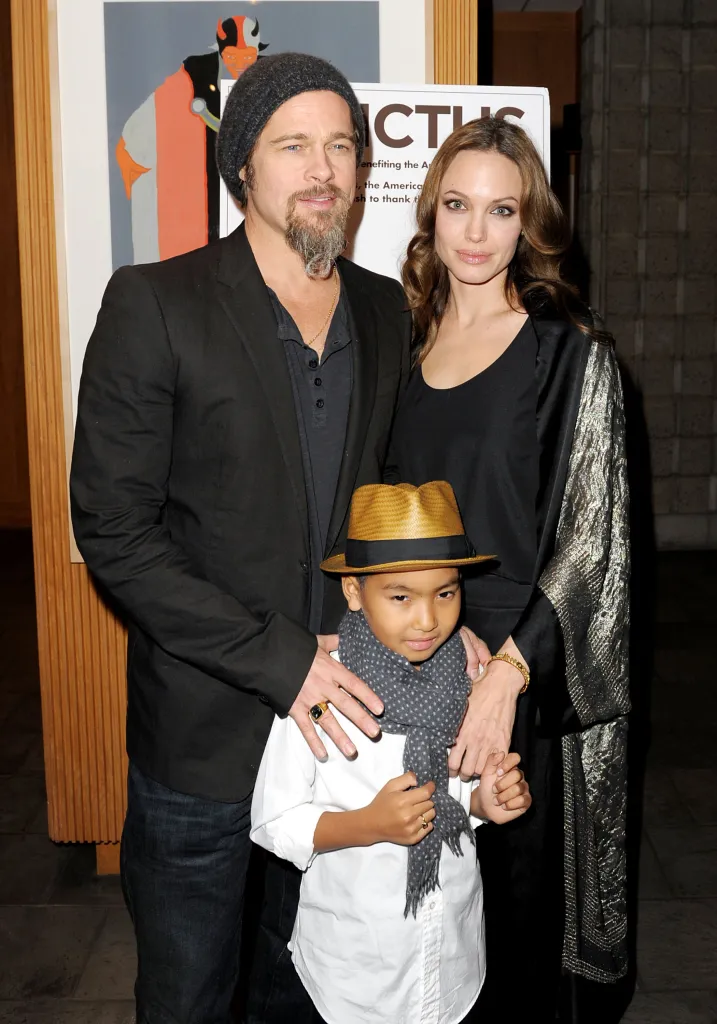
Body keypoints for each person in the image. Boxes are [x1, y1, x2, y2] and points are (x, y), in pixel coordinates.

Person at [71, 53, 415, 1024]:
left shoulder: (387, 311)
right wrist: (283, 660)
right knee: (187, 996)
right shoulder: (155, 303)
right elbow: (115, 530)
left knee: (298, 989)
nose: (324, 169)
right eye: (294, 145)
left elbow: (385, 506)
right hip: (204, 741)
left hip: (339, 739)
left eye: (342, 145)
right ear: (242, 169)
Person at [387, 117, 631, 1022]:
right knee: (423, 933)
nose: (476, 233)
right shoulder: (400, 347)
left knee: (517, 934)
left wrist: (509, 676)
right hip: (416, 664)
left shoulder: (570, 355)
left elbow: (592, 540)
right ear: (432, 214)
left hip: (523, 680)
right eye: (457, 206)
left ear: (529, 223)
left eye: (501, 209)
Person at [251, 480, 532, 1024]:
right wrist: (370, 824)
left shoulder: (466, 679)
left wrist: (482, 804)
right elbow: (274, 822)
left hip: (450, 960)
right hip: (357, 974)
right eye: (401, 596)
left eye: (446, 593)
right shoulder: (322, 694)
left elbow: (455, 794)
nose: (427, 620)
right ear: (354, 592)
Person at [116, 15, 269, 265]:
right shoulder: (189, 81)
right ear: (220, 52)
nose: (239, 63)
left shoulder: (274, 80)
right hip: (202, 209)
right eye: (232, 56)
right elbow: (136, 138)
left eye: (247, 56)